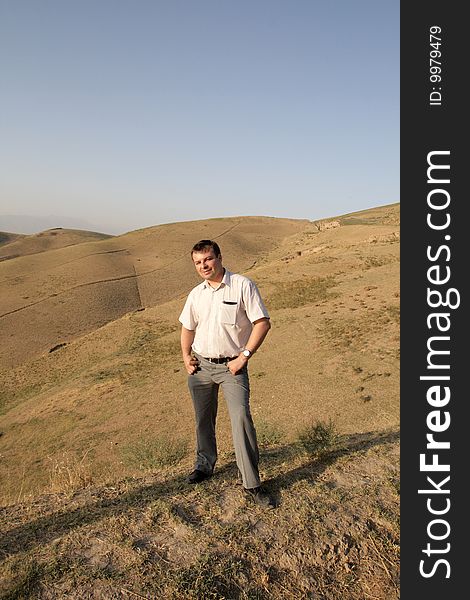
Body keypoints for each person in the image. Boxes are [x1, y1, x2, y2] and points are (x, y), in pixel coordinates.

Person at [179, 240, 274, 508]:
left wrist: (244, 356)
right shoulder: (196, 294)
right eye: (198, 262)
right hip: (201, 367)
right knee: (203, 420)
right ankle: (204, 465)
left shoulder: (242, 285)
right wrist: (186, 357)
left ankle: (252, 483)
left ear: (219, 257)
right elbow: (187, 327)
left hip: (233, 367)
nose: (203, 266)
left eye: (207, 259)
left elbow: (262, 323)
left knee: (241, 418)